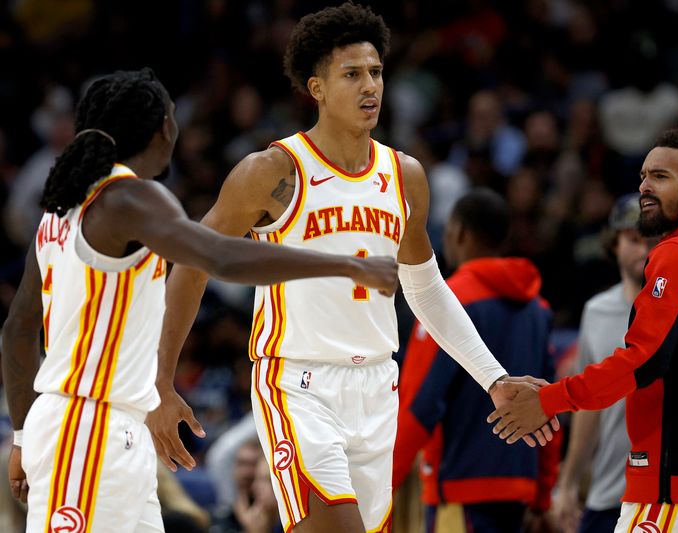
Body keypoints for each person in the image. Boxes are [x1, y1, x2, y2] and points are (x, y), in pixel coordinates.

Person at [145, 4, 556, 533]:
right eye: (353, 74)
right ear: (316, 87)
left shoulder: (404, 175)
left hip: (378, 387)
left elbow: (426, 289)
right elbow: (193, 263)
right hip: (298, 384)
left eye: (377, 72)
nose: (371, 86)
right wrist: (160, 379)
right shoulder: (273, 172)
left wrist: (493, 379)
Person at [0, 68, 398, 533]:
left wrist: (26, 437)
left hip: (107, 428)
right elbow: (219, 256)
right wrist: (347, 265)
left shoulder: (61, 212)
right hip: (86, 429)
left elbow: (17, 330)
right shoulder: (132, 197)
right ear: (163, 128)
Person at [490, 125, 678, 532]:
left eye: (661, 177)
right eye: (643, 175)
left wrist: (550, 399)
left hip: (676, 487)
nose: (645, 186)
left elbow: (642, 360)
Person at [392, 188, 560, 533]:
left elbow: (419, 405)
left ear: (458, 233)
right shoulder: (538, 310)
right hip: (520, 491)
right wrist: (543, 496)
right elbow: (550, 405)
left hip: (459, 488)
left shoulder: (444, 304)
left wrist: (380, 487)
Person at [551, 193, 652, 533]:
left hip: (664, 492)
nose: (644, 249)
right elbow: (587, 405)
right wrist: (567, 483)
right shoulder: (596, 311)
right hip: (608, 490)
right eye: (634, 239)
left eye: (652, 239)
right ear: (614, 243)